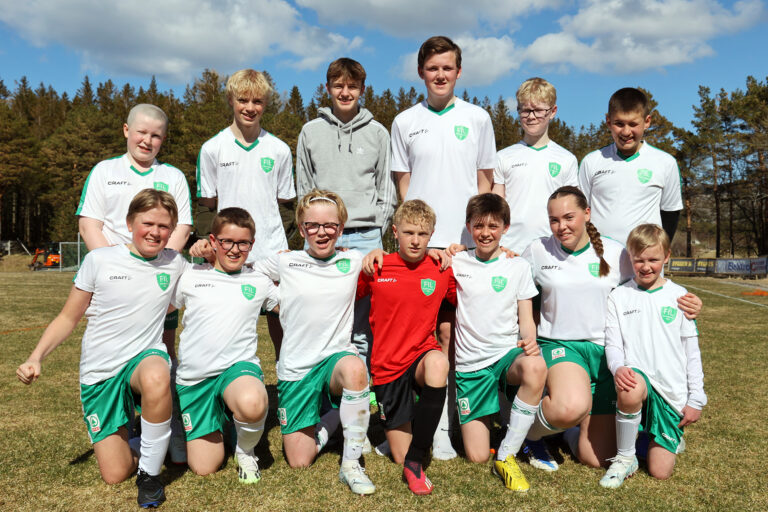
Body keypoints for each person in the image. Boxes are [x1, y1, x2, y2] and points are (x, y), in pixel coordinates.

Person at [18, 189, 188, 508]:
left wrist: (209, 250)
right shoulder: (100, 260)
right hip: (101, 371)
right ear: (130, 223)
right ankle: (150, 438)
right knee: (115, 473)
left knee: (157, 373)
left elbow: (207, 288)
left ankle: (150, 475)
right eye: (148, 223)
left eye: (164, 226)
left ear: (172, 230)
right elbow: (68, 318)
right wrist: (35, 357)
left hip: (143, 359)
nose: (155, 232)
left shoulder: (175, 263)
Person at [520, 186, 701, 471]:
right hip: (561, 345)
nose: (561, 226)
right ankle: (527, 435)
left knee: (598, 459)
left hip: (607, 353)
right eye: (554, 219)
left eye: (569, 217)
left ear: (587, 213)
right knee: (570, 406)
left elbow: (648, 287)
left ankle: (567, 431)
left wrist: (688, 302)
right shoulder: (537, 250)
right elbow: (513, 282)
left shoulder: (616, 253)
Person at [390, 35, 496, 459]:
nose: (440, 75)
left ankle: (449, 422)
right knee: (417, 335)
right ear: (421, 72)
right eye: (432, 68)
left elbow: (485, 180)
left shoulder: (478, 118)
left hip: (463, 248)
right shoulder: (404, 121)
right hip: (422, 248)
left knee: (454, 334)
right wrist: (419, 238)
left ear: (459, 71)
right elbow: (403, 183)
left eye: (447, 67)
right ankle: (418, 422)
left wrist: (473, 237)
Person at [75, 104, 193, 463]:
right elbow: (89, 224)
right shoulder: (104, 171)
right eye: (142, 132)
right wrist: (116, 271)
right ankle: (124, 424)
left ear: (163, 139)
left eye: (156, 135)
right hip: (115, 285)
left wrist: (159, 270)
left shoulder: (172, 176)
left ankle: (171, 425)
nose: (147, 140)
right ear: (127, 130)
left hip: (158, 283)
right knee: (113, 350)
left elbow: (182, 227)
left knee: (164, 354)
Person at [250, 190, 375, 496]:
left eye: (330, 225)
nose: (322, 232)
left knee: (355, 369)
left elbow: (387, 263)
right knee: (299, 461)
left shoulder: (352, 259)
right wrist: (276, 301)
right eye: (313, 225)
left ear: (340, 228)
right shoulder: (286, 260)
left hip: (336, 360)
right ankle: (340, 417)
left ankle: (351, 464)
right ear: (302, 228)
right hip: (297, 366)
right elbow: (252, 273)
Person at [295, 57, 396, 394]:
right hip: (323, 237)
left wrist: (377, 230)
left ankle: (360, 397)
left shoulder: (378, 133)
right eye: (338, 85)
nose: (345, 92)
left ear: (362, 89)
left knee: (363, 325)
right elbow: (304, 188)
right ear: (327, 88)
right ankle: (323, 395)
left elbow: (385, 189)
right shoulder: (310, 132)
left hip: (366, 238)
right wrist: (316, 230)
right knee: (322, 320)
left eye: (352, 86)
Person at [193, 68, 296, 360]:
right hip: (230, 251)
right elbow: (207, 204)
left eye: (257, 101)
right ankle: (228, 377)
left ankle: (288, 377)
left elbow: (287, 206)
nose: (250, 108)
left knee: (282, 320)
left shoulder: (279, 149)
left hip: (270, 251)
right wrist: (211, 244)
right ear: (231, 100)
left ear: (265, 104)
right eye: (243, 100)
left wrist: (281, 244)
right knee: (229, 322)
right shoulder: (212, 148)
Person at [171, 208, 277, 484]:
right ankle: (224, 421)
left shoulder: (259, 281)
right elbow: (159, 309)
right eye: (227, 241)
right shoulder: (190, 275)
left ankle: (245, 451)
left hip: (236, 370)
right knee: (204, 467)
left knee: (252, 402)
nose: (234, 249)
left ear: (252, 244)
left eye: (243, 243)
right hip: (195, 380)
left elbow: (294, 307)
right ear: (213, 241)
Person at [449, 193, 546, 492]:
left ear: (505, 227)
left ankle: (506, 455)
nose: (485, 233)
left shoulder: (517, 266)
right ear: (468, 227)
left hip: (506, 358)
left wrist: (530, 343)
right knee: (477, 456)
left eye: (493, 226)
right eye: (478, 226)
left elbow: (526, 319)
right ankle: (503, 419)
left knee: (535, 367)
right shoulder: (456, 261)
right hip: (471, 367)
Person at [358, 200, 454, 495]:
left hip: (422, 356)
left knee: (438, 364)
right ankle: (406, 434)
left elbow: (474, 284)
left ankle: (415, 462)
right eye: (409, 232)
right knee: (398, 452)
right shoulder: (377, 266)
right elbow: (341, 289)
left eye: (422, 234)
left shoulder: (441, 268)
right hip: (387, 367)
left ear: (431, 235)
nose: (415, 240)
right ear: (395, 232)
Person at [600, 224, 706, 488]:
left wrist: (696, 398)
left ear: (667, 257)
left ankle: (653, 436)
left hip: (671, 392)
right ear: (630, 258)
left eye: (653, 260)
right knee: (630, 386)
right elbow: (613, 345)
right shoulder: (619, 296)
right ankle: (625, 458)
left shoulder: (680, 297)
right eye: (639, 260)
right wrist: (618, 367)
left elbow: (692, 352)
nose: (646, 266)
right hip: (640, 380)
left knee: (660, 472)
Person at [578, 87, 683, 245]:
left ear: (647, 122)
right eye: (619, 124)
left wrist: (659, 251)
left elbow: (670, 214)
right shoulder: (591, 161)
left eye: (633, 124)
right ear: (608, 121)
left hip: (644, 258)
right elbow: (581, 212)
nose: (626, 132)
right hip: (600, 257)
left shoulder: (665, 163)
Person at [492, 77, 578, 254]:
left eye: (538, 110)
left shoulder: (566, 159)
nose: (531, 117)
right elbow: (496, 208)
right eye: (525, 111)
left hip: (553, 251)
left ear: (552, 111)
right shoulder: (503, 157)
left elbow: (571, 209)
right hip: (510, 249)